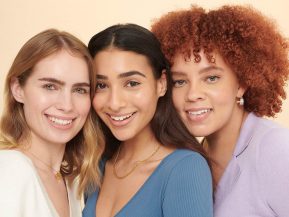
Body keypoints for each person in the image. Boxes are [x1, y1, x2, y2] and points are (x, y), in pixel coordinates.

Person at [151, 5, 289, 217]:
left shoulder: (277, 151)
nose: (193, 94)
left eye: (212, 78)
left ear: (242, 83)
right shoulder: (191, 156)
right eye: (179, 81)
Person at [83, 23, 213, 217]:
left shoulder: (185, 169)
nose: (115, 103)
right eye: (101, 85)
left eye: (132, 83)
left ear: (161, 84)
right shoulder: (97, 165)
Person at [0, 29, 104, 217]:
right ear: (18, 90)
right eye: (50, 86)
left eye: (79, 90)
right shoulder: (10, 170)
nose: (66, 105)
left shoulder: (71, 181)